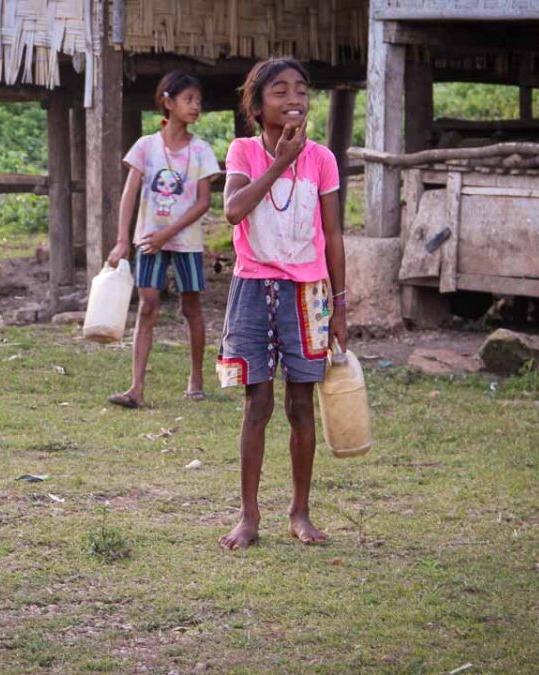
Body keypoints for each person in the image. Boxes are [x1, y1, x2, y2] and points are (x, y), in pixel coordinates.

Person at [216, 58, 348, 550]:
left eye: (301, 90)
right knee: (258, 404)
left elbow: (333, 235)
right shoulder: (244, 151)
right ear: (257, 105)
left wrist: (340, 304)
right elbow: (233, 211)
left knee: (300, 403)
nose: (294, 99)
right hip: (254, 288)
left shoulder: (323, 159)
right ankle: (249, 517)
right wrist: (279, 163)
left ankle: (300, 511)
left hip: (309, 293)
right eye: (279, 91)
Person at [106, 71, 221, 409]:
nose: (196, 106)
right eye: (189, 100)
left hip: (185, 242)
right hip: (147, 240)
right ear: (168, 103)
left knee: (191, 308)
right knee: (147, 306)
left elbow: (203, 203)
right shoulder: (146, 146)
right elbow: (129, 195)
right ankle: (136, 387)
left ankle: (196, 378)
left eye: (199, 100)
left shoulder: (200, 150)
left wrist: (165, 234)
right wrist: (122, 241)